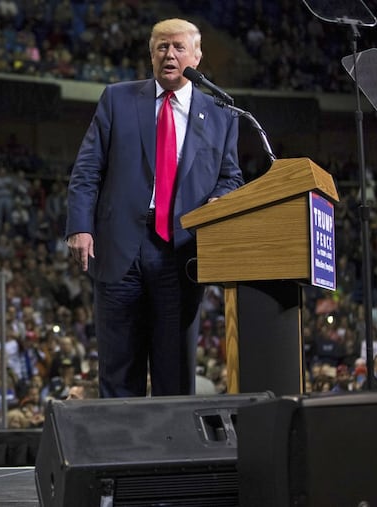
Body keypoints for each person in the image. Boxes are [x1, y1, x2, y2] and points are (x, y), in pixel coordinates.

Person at [65, 18, 244, 398]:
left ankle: (173, 455)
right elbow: (87, 169)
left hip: (180, 252)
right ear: (151, 54)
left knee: (174, 372)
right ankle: (119, 456)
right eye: (162, 47)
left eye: (179, 47)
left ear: (197, 55)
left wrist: (218, 201)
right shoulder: (117, 98)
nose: (170, 54)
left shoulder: (221, 112)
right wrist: (80, 226)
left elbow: (231, 177)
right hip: (119, 248)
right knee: (118, 369)